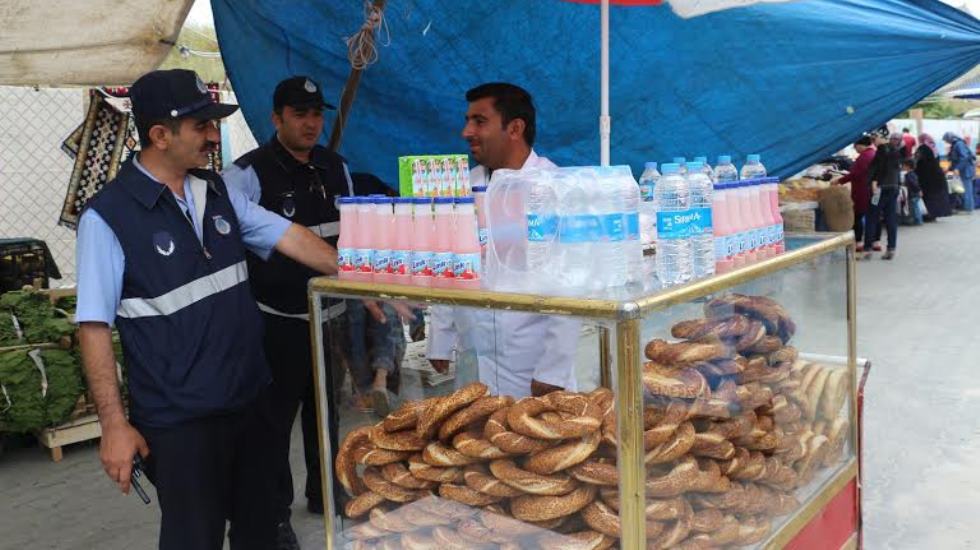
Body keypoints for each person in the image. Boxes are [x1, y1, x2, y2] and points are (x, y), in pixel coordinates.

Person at [75, 69, 370, 550]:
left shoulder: (217, 191)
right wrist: (113, 425)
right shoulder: (107, 218)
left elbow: (290, 237)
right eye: (202, 126)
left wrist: (368, 278)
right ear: (159, 135)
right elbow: (93, 327)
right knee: (195, 537)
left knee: (260, 530)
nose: (215, 136)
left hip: (248, 401)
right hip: (180, 422)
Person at [222, 75, 353, 546]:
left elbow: (350, 238)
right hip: (277, 321)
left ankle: (327, 492)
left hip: (330, 319)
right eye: (300, 114)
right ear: (276, 118)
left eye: (317, 114)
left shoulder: (337, 167)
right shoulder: (247, 174)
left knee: (326, 412)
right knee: (273, 422)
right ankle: (273, 512)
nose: (311, 123)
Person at [427, 83, 581, 398]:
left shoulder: (555, 188)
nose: (466, 132)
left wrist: (554, 369)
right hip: (476, 361)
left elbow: (571, 284)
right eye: (467, 120)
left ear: (515, 128)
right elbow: (449, 260)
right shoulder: (461, 188)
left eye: (479, 121)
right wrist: (440, 336)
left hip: (534, 370)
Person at [863, 133, 902, 260]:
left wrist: (873, 181)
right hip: (893, 187)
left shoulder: (882, 149)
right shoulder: (897, 151)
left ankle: (868, 249)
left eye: (875, 138)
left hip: (880, 188)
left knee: (872, 217)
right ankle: (891, 248)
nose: (874, 140)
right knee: (891, 218)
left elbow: (878, 167)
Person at [833, 136, 875, 251]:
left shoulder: (864, 157)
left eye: (855, 146)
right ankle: (875, 242)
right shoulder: (873, 154)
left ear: (861, 145)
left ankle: (859, 243)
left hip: (862, 191)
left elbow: (855, 174)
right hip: (871, 190)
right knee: (872, 217)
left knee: (857, 217)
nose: (855, 149)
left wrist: (839, 180)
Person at [915, 133, 952, 221]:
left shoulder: (922, 148)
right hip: (937, 175)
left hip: (927, 177)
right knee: (936, 197)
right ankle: (935, 214)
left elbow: (918, 161)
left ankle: (929, 215)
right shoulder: (933, 147)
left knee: (929, 196)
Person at [943, 131, 976, 212]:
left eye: (946, 140)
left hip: (965, 170)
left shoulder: (959, 144)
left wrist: (957, 168)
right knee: (963, 189)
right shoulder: (956, 144)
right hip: (962, 170)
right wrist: (950, 168)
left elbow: (964, 157)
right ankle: (966, 207)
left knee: (967, 190)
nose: (946, 142)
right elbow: (955, 160)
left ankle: (968, 209)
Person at [900, 158, 923, 225]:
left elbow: (913, 184)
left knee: (914, 208)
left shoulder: (909, 175)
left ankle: (918, 220)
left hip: (913, 194)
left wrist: (918, 190)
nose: (902, 167)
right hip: (915, 193)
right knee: (915, 207)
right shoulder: (913, 174)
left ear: (907, 166)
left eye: (903, 165)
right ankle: (917, 219)